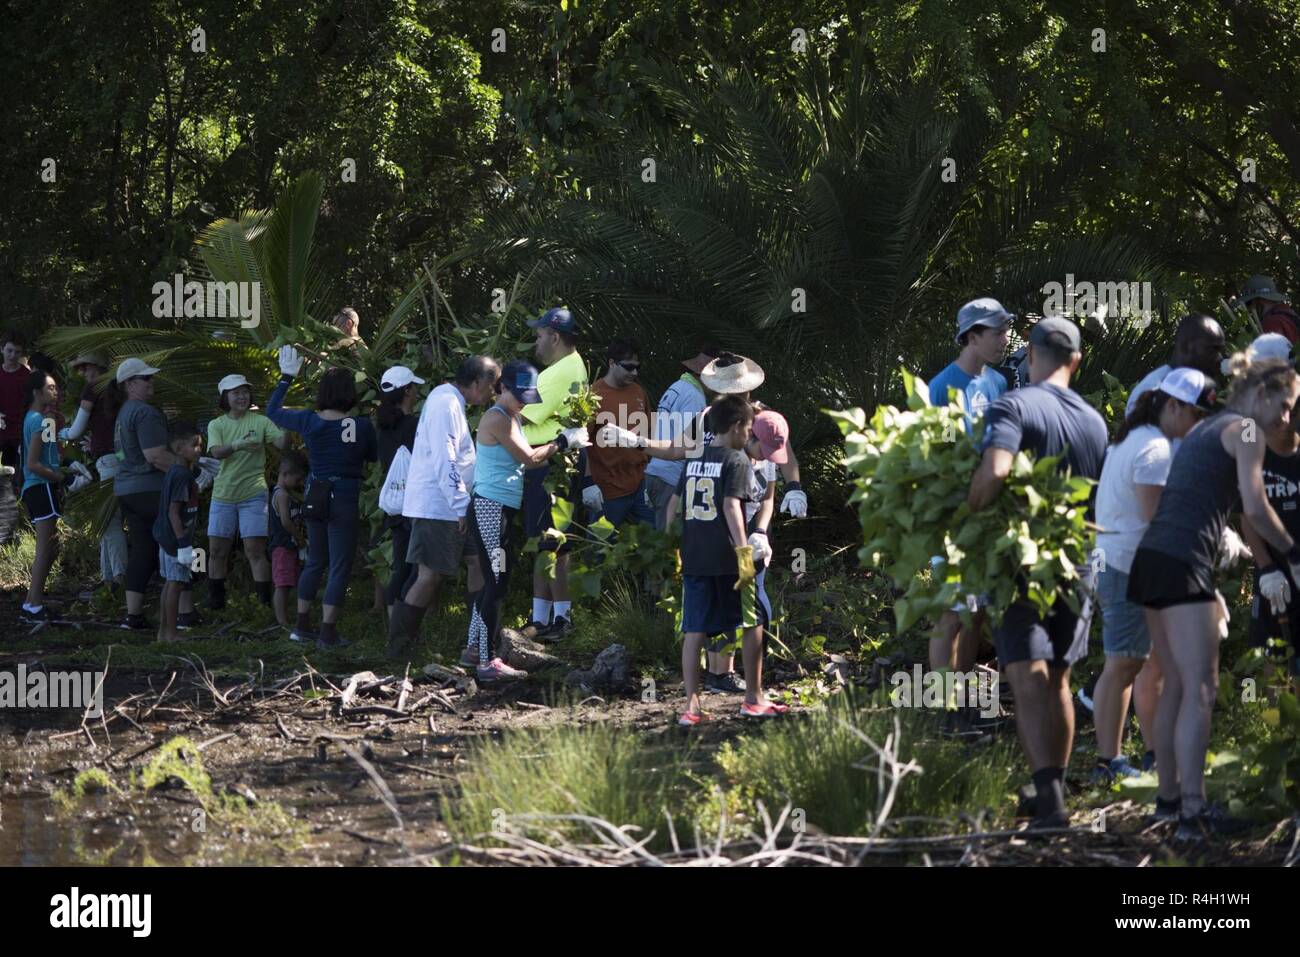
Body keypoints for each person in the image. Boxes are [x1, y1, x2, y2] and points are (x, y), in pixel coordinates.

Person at [1128, 354, 1300, 841]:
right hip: (1183, 563)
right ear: (1261, 393)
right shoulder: (1246, 430)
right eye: (1285, 406)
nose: (1286, 418)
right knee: (1201, 690)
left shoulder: (1207, 428)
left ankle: (1169, 803)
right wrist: (1293, 553)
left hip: (1153, 560)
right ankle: (1193, 813)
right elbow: (1255, 503)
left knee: (1178, 688)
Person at [966, 317, 1109, 830]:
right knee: (1060, 681)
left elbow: (997, 470)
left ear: (1030, 356)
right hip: (1078, 561)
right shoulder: (1094, 421)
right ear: (1075, 361)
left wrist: (970, 509)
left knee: (1026, 674)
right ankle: (1051, 791)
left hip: (1020, 561)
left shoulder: (1014, 405)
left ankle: (1049, 800)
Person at [600, 352, 807, 691]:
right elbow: (676, 451)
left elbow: (780, 463)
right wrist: (634, 441)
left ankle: (750, 670)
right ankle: (720, 674)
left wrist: (793, 490)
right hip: (713, 521)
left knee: (753, 600)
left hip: (750, 515)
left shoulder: (762, 419)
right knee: (721, 599)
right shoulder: (708, 418)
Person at [1091, 369, 1213, 784]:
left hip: (1121, 562)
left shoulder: (1134, 439)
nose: (1196, 424)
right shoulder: (1155, 449)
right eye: (1194, 414)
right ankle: (1108, 761)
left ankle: (1153, 755)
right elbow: (1156, 519)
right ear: (1173, 406)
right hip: (1126, 565)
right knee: (1122, 664)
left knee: (1140, 663)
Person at [467, 359, 590, 680]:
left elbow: (531, 460)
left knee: (496, 582)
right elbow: (530, 458)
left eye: (527, 396)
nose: (523, 401)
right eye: (518, 394)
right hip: (490, 508)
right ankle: (486, 660)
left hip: (501, 509)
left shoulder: (511, 416)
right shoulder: (498, 419)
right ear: (502, 387)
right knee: (496, 583)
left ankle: (473, 650)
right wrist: (562, 442)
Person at [670, 395, 787, 725]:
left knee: (694, 629)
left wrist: (672, 545)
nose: (748, 434)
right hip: (726, 558)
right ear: (737, 427)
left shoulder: (695, 458)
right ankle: (753, 698)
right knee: (753, 620)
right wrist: (743, 552)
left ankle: (691, 708)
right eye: (747, 428)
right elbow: (731, 506)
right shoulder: (735, 460)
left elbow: (673, 508)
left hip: (695, 557)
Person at [927, 298, 1013, 727]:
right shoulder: (943, 387)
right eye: (996, 332)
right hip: (954, 517)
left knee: (978, 611)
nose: (1003, 340)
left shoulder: (997, 383)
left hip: (990, 516)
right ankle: (941, 703)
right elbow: (937, 457)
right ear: (972, 336)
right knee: (952, 610)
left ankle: (964, 700)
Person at [389, 355, 500, 660]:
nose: (494, 392)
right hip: (439, 507)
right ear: (477, 383)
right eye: (492, 385)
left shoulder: (451, 401)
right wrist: (461, 505)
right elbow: (445, 458)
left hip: (453, 505)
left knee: (478, 563)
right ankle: (399, 648)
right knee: (429, 575)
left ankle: (481, 637)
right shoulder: (445, 404)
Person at [267, 346, 378, 648]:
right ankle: (328, 631)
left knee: (315, 560)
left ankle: (302, 625)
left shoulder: (309, 421)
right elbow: (372, 455)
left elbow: (272, 412)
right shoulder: (358, 426)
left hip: (314, 493)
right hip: (344, 494)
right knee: (339, 564)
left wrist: (286, 378)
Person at [112, 357, 199, 631]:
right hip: (151, 489)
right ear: (130, 384)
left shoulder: (124, 412)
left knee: (143, 550)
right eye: (146, 378)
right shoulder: (145, 412)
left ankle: (133, 615)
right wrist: (190, 470)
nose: (152, 382)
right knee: (178, 542)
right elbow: (155, 455)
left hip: (127, 491)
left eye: (152, 377)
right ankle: (184, 614)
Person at [518, 307, 588, 640]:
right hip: (556, 461)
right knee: (547, 541)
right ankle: (544, 618)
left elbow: (519, 414)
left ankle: (557, 621)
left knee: (551, 542)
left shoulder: (558, 372)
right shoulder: (573, 365)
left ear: (555, 336)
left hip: (550, 463)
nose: (536, 342)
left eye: (539, 335)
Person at [205, 374, 287, 610]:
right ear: (225, 397)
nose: (241, 396)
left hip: (253, 495)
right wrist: (237, 445)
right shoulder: (216, 424)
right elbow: (216, 452)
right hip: (223, 496)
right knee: (216, 550)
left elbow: (282, 444)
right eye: (235, 392)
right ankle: (216, 601)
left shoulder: (260, 421)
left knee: (256, 551)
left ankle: (263, 604)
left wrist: (284, 421)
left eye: (244, 391)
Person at [59, 352, 127, 595]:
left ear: (95, 367)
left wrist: (62, 434)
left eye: (86, 367)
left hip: (109, 461)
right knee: (109, 521)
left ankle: (118, 579)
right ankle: (108, 577)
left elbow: (76, 430)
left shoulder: (92, 390)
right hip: (119, 459)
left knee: (109, 522)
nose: (84, 372)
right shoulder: (117, 389)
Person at [643, 346, 717, 530]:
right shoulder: (694, 397)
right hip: (671, 477)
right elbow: (689, 444)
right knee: (669, 545)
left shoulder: (676, 387)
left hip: (655, 471)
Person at [583, 338, 653, 527]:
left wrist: (649, 473)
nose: (635, 372)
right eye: (629, 367)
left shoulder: (639, 392)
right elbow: (583, 442)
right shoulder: (593, 395)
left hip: (639, 484)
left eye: (637, 367)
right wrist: (588, 482)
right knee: (599, 549)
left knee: (654, 543)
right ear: (612, 363)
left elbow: (646, 435)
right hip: (607, 490)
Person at [375, 365, 425, 618]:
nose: (417, 392)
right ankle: (406, 624)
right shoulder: (415, 426)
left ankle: (393, 623)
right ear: (407, 391)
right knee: (420, 571)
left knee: (401, 568)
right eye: (414, 388)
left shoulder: (383, 429)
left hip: (394, 506)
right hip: (417, 506)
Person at [18, 371, 67, 621]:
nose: (55, 392)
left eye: (56, 387)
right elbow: (34, 463)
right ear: (37, 392)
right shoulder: (37, 420)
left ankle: (31, 601)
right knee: (44, 549)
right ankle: (34, 605)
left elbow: (49, 454)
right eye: (50, 388)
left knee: (53, 546)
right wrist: (62, 478)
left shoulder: (40, 419)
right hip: (40, 486)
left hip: (40, 486)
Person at [153, 421, 202, 643]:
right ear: (180, 448)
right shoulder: (181, 475)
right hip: (175, 539)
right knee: (175, 585)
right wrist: (183, 542)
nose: (199, 449)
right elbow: (174, 512)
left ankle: (163, 632)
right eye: (195, 445)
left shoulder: (177, 471)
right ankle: (171, 633)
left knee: (169, 583)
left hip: (165, 536)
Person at [1126, 314, 1226, 415]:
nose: (1219, 357)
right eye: (1212, 349)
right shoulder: (1151, 392)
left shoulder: (1193, 391)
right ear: (1187, 347)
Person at [268, 450, 308, 628]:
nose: (299, 483)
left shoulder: (288, 494)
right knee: (282, 583)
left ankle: (287, 617)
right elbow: (285, 522)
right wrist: (299, 538)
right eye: (297, 479)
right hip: (282, 545)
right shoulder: (282, 495)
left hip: (290, 546)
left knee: (291, 581)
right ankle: (281, 620)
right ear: (285, 474)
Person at [0, 333, 32, 484]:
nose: (12, 355)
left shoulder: (27, 376)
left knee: (20, 479)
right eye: (9, 350)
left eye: (17, 352)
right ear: (2, 349)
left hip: (21, 433)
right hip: (2, 432)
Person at [1239, 275, 1298, 344]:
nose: (1248, 309)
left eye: (1248, 303)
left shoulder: (1271, 323)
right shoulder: (1289, 315)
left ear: (1260, 300)